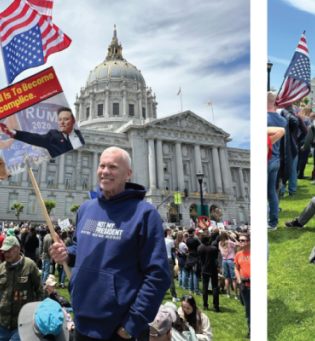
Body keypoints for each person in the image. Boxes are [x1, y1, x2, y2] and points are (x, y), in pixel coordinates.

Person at [49, 146, 173, 341]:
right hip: (82, 321)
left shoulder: (145, 214)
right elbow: (79, 248)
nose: (105, 171)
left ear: (128, 173)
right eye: (102, 166)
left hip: (119, 329)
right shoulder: (86, 208)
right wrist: (67, 253)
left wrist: (131, 324)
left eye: (113, 167)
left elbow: (158, 276)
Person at [0, 236, 45, 341]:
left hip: (23, 322)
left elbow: (40, 292)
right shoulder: (2, 268)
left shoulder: (29, 266)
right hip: (3, 323)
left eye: (10, 250)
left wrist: (39, 316)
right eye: (4, 251)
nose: (6, 254)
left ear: (18, 248)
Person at [0, 107, 85, 158]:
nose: (62, 123)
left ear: (73, 121)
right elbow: (34, 138)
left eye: (66, 119)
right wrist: (14, 133)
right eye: (59, 120)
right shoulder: (53, 136)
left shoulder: (81, 136)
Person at [266, 93, 289, 231]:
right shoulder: (282, 120)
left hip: (267, 159)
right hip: (275, 159)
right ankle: (273, 223)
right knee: (272, 193)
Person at [196, 232, 220, 313]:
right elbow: (216, 258)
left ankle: (205, 305)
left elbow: (200, 258)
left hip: (204, 269)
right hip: (213, 269)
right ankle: (216, 306)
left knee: (205, 287)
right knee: (215, 287)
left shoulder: (200, 248)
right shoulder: (214, 249)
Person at [235, 233, 252, 339]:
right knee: (248, 310)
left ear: (249, 242)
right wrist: (240, 281)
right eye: (239, 240)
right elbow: (236, 268)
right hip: (245, 286)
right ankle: (251, 330)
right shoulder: (238, 255)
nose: (240, 242)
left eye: (242, 240)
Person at [185, 228, 202, 295]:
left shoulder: (187, 240)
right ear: (192, 232)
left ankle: (191, 289)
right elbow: (200, 244)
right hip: (195, 257)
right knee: (195, 274)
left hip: (190, 257)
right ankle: (196, 290)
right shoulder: (195, 240)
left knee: (191, 274)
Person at [165, 228, 180, 301]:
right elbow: (173, 249)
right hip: (168, 259)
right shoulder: (169, 241)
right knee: (171, 278)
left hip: (160, 260)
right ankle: (174, 296)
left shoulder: (156, 241)